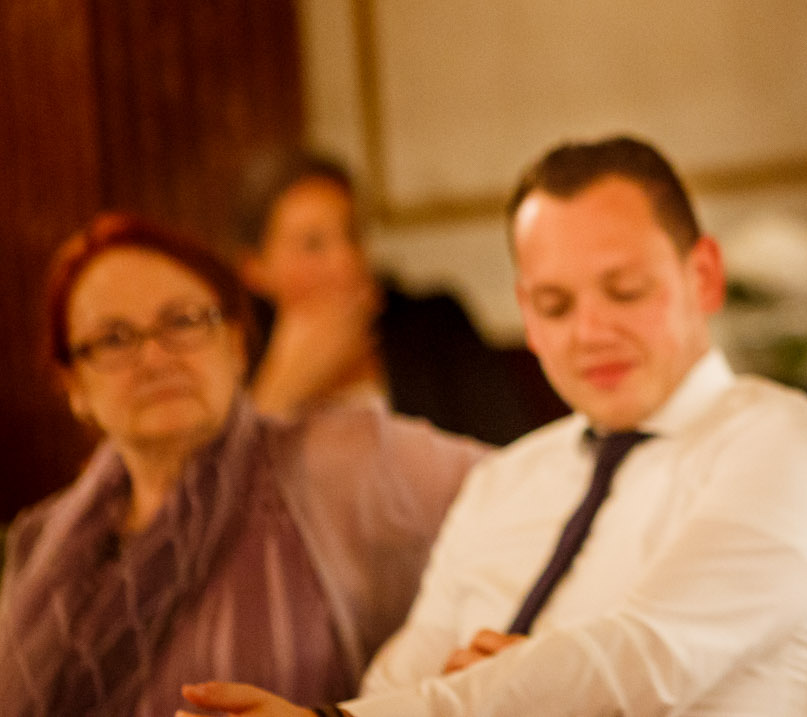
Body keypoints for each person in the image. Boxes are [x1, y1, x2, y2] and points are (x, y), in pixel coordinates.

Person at [180, 135, 807, 717]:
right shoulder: (503, 480)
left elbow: (646, 657)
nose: (591, 331)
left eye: (625, 290)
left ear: (703, 276)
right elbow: (399, 682)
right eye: (554, 303)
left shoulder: (789, 441)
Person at [0, 213, 482, 717]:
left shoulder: (338, 459)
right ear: (74, 385)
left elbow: (524, 484)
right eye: (115, 339)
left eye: (183, 321)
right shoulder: (41, 541)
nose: (156, 357)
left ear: (234, 344)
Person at [234, 150, 564, 443]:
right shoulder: (239, 359)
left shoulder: (434, 324)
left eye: (352, 234)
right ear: (256, 270)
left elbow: (509, 453)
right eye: (312, 245)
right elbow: (217, 500)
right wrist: (282, 388)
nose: (346, 261)